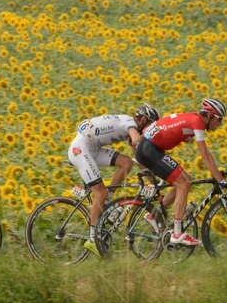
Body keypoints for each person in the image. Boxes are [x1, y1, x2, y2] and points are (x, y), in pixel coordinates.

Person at [134, 98, 227, 246]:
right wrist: (220, 180)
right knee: (183, 184)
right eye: (219, 119)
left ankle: (155, 215)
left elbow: (207, 154)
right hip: (149, 149)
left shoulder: (193, 119)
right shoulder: (197, 122)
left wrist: (219, 176)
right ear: (209, 115)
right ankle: (177, 233)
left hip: (150, 148)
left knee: (186, 179)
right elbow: (205, 155)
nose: (220, 124)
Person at [68, 103, 161, 256]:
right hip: (80, 149)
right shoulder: (130, 123)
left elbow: (137, 158)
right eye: (150, 126)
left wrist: (152, 179)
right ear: (143, 119)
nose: (149, 131)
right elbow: (138, 142)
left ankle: (108, 203)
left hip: (92, 148)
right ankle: (92, 239)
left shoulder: (129, 127)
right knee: (100, 193)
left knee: (126, 163)